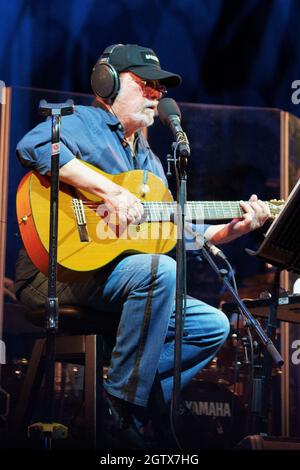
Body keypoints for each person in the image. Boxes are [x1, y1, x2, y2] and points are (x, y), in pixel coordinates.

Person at [14, 43, 270, 449]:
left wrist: (230, 231)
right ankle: (122, 412)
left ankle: (125, 397)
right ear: (108, 83)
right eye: (146, 84)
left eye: (160, 88)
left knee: (211, 326)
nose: (157, 95)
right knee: (159, 271)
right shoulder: (85, 123)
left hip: (122, 282)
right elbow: (34, 146)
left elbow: (171, 234)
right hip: (58, 272)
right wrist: (109, 192)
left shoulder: (150, 163)